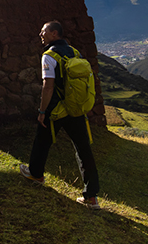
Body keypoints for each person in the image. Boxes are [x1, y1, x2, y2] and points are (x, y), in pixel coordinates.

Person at [19, 20, 102, 209]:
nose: (41, 34)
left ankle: (36, 174)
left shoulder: (49, 56)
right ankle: (91, 196)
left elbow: (48, 86)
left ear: (54, 33)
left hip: (56, 110)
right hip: (76, 108)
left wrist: (42, 111)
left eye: (43, 31)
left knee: (42, 140)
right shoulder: (74, 52)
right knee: (83, 149)